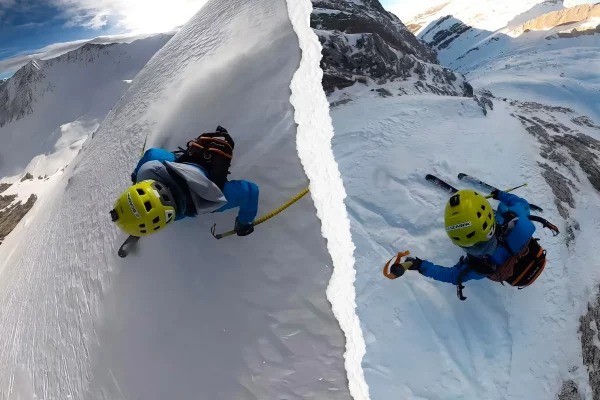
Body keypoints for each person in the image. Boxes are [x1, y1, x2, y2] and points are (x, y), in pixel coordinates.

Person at [392, 189, 550, 300]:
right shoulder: (517, 221)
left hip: (501, 266)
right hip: (526, 252)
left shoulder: (478, 266)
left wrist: (419, 265)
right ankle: (496, 213)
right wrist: (500, 195)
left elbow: (452, 276)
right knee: (503, 209)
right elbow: (521, 203)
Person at [110, 126, 259, 238]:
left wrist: (244, 223)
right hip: (173, 167)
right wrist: (136, 175)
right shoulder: (150, 168)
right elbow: (151, 153)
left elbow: (251, 191)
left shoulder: (208, 199)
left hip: (202, 178)